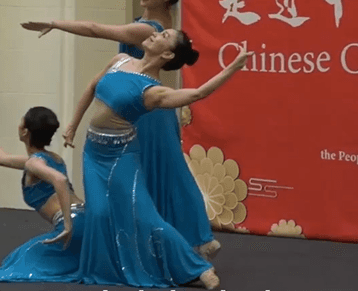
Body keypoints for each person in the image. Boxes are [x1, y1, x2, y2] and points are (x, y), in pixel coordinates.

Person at [20, 0, 219, 259]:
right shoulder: (163, 16)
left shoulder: (148, 30)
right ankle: (182, 239)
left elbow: (94, 28)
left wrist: (54, 22)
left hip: (142, 111)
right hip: (145, 106)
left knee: (156, 173)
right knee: (165, 171)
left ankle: (186, 240)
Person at [67, 29, 251, 289]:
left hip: (121, 156)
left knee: (146, 217)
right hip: (92, 153)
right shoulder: (118, 61)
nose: (155, 34)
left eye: (163, 35)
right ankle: (108, 268)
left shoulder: (153, 91)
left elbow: (197, 94)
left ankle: (198, 268)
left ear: (167, 53)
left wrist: (231, 69)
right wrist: (72, 126)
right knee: (98, 213)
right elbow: (91, 87)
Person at [0, 107, 85, 282]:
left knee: (18, 261)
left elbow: (60, 180)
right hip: (87, 220)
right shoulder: (52, 158)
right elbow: (2, 159)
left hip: (73, 224)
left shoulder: (34, 164)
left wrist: (68, 225)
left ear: (25, 131)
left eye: (21, 121)